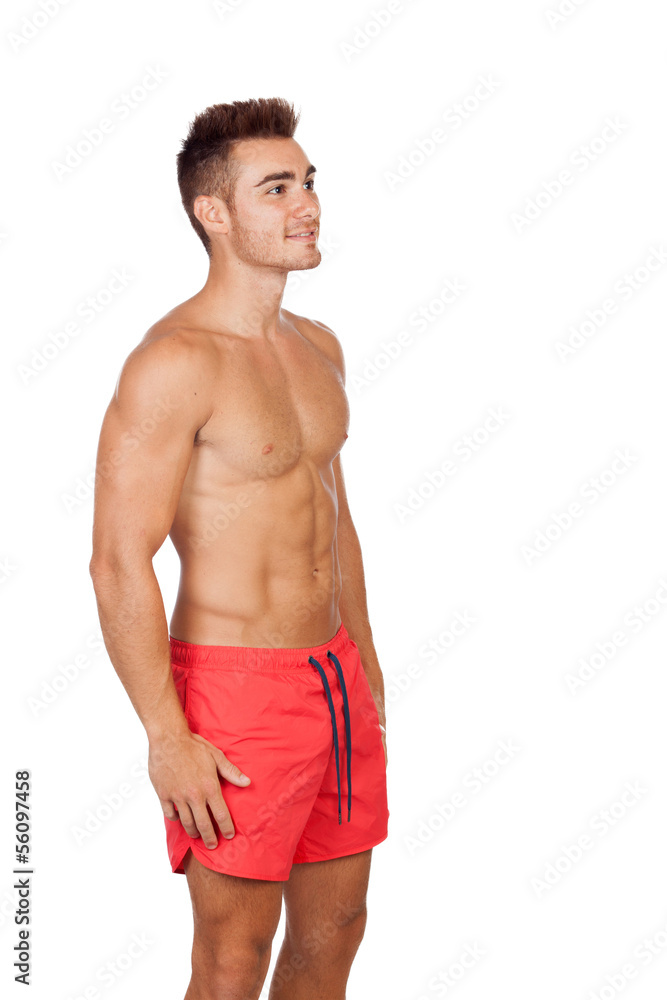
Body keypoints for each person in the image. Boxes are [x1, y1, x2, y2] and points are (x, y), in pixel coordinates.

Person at [89, 97, 389, 1000]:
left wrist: (365, 661)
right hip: (234, 688)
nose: (306, 204)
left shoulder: (318, 346)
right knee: (231, 960)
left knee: (335, 933)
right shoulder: (173, 361)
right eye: (276, 188)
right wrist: (165, 734)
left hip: (333, 679)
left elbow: (334, 516)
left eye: (306, 182)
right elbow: (116, 560)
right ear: (212, 214)